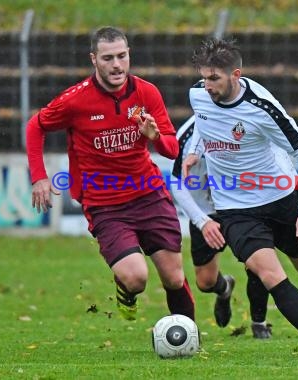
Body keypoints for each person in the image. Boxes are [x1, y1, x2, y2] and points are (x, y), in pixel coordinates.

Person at [182, 37, 298, 360]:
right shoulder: (198, 96)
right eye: (204, 77)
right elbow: (204, 124)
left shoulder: (262, 107)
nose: (207, 85)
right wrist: (193, 151)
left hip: (281, 198)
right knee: (272, 276)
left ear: (236, 76)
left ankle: (280, 244)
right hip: (235, 210)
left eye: (214, 78)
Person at [26, 26, 195, 322]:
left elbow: (171, 150)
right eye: (107, 58)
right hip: (105, 204)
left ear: (129, 55)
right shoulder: (75, 100)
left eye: (121, 56)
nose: (116, 65)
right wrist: (39, 176)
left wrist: (154, 136)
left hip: (149, 194)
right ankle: (125, 289)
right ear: (94, 60)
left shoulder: (146, 92)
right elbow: (35, 126)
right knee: (137, 278)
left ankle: (188, 337)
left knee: (173, 277)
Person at [171, 115, 272, 339]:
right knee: (205, 282)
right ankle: (224, 288)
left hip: (241, 206)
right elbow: (176, 182)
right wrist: (201, 221)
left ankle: (259, 323)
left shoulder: (243, 121)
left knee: (257, 263)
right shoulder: (186, 135)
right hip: (205, 213)